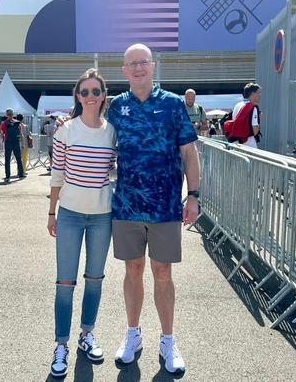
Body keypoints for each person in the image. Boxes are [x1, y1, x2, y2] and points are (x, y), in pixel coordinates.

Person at [107, 44, 199, 374]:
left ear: (153, 66)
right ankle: (133, 334)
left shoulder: (174, 105)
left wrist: (194, 195)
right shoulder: (116, 107)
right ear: (124, 70)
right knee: (132, 270)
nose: (138, 68)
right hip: (127, 205)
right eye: (132, 63)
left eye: (143, 62)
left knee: (162, 272)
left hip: (164, 207)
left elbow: (189, 153)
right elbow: (94, 135)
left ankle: (168, 340)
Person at [47, 69, 116, 377]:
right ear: (77, 96)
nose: (90, 97)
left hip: (102, 215)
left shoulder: (112, 132)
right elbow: (57, 174)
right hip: (70, 215)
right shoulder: (66, 130)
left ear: (104, 96)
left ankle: (86, 333)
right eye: (85, 92)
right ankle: (60, 344)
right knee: (65, 283)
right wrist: (52, 213)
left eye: (96, 92)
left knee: (95, 279)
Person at [231, 83, 261, 148]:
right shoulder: (253, 107)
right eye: (258, 93)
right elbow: (255, 131)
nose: (260, 95)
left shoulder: (237, 105)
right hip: (249, 144)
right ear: (252, 94)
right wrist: (259, 120)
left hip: (237, 143)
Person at [0, 108, 24, 181]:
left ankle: (7, 175)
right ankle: (21, 174)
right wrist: (22, 144)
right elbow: (21, 134)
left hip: (8, 143)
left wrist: (1, 143)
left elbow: (1, 134)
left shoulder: (3, 123)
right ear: (13, 114)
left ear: (6, 114)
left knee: (7, 160)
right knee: (19, 159)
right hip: (16, 142)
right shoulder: (17, 123)